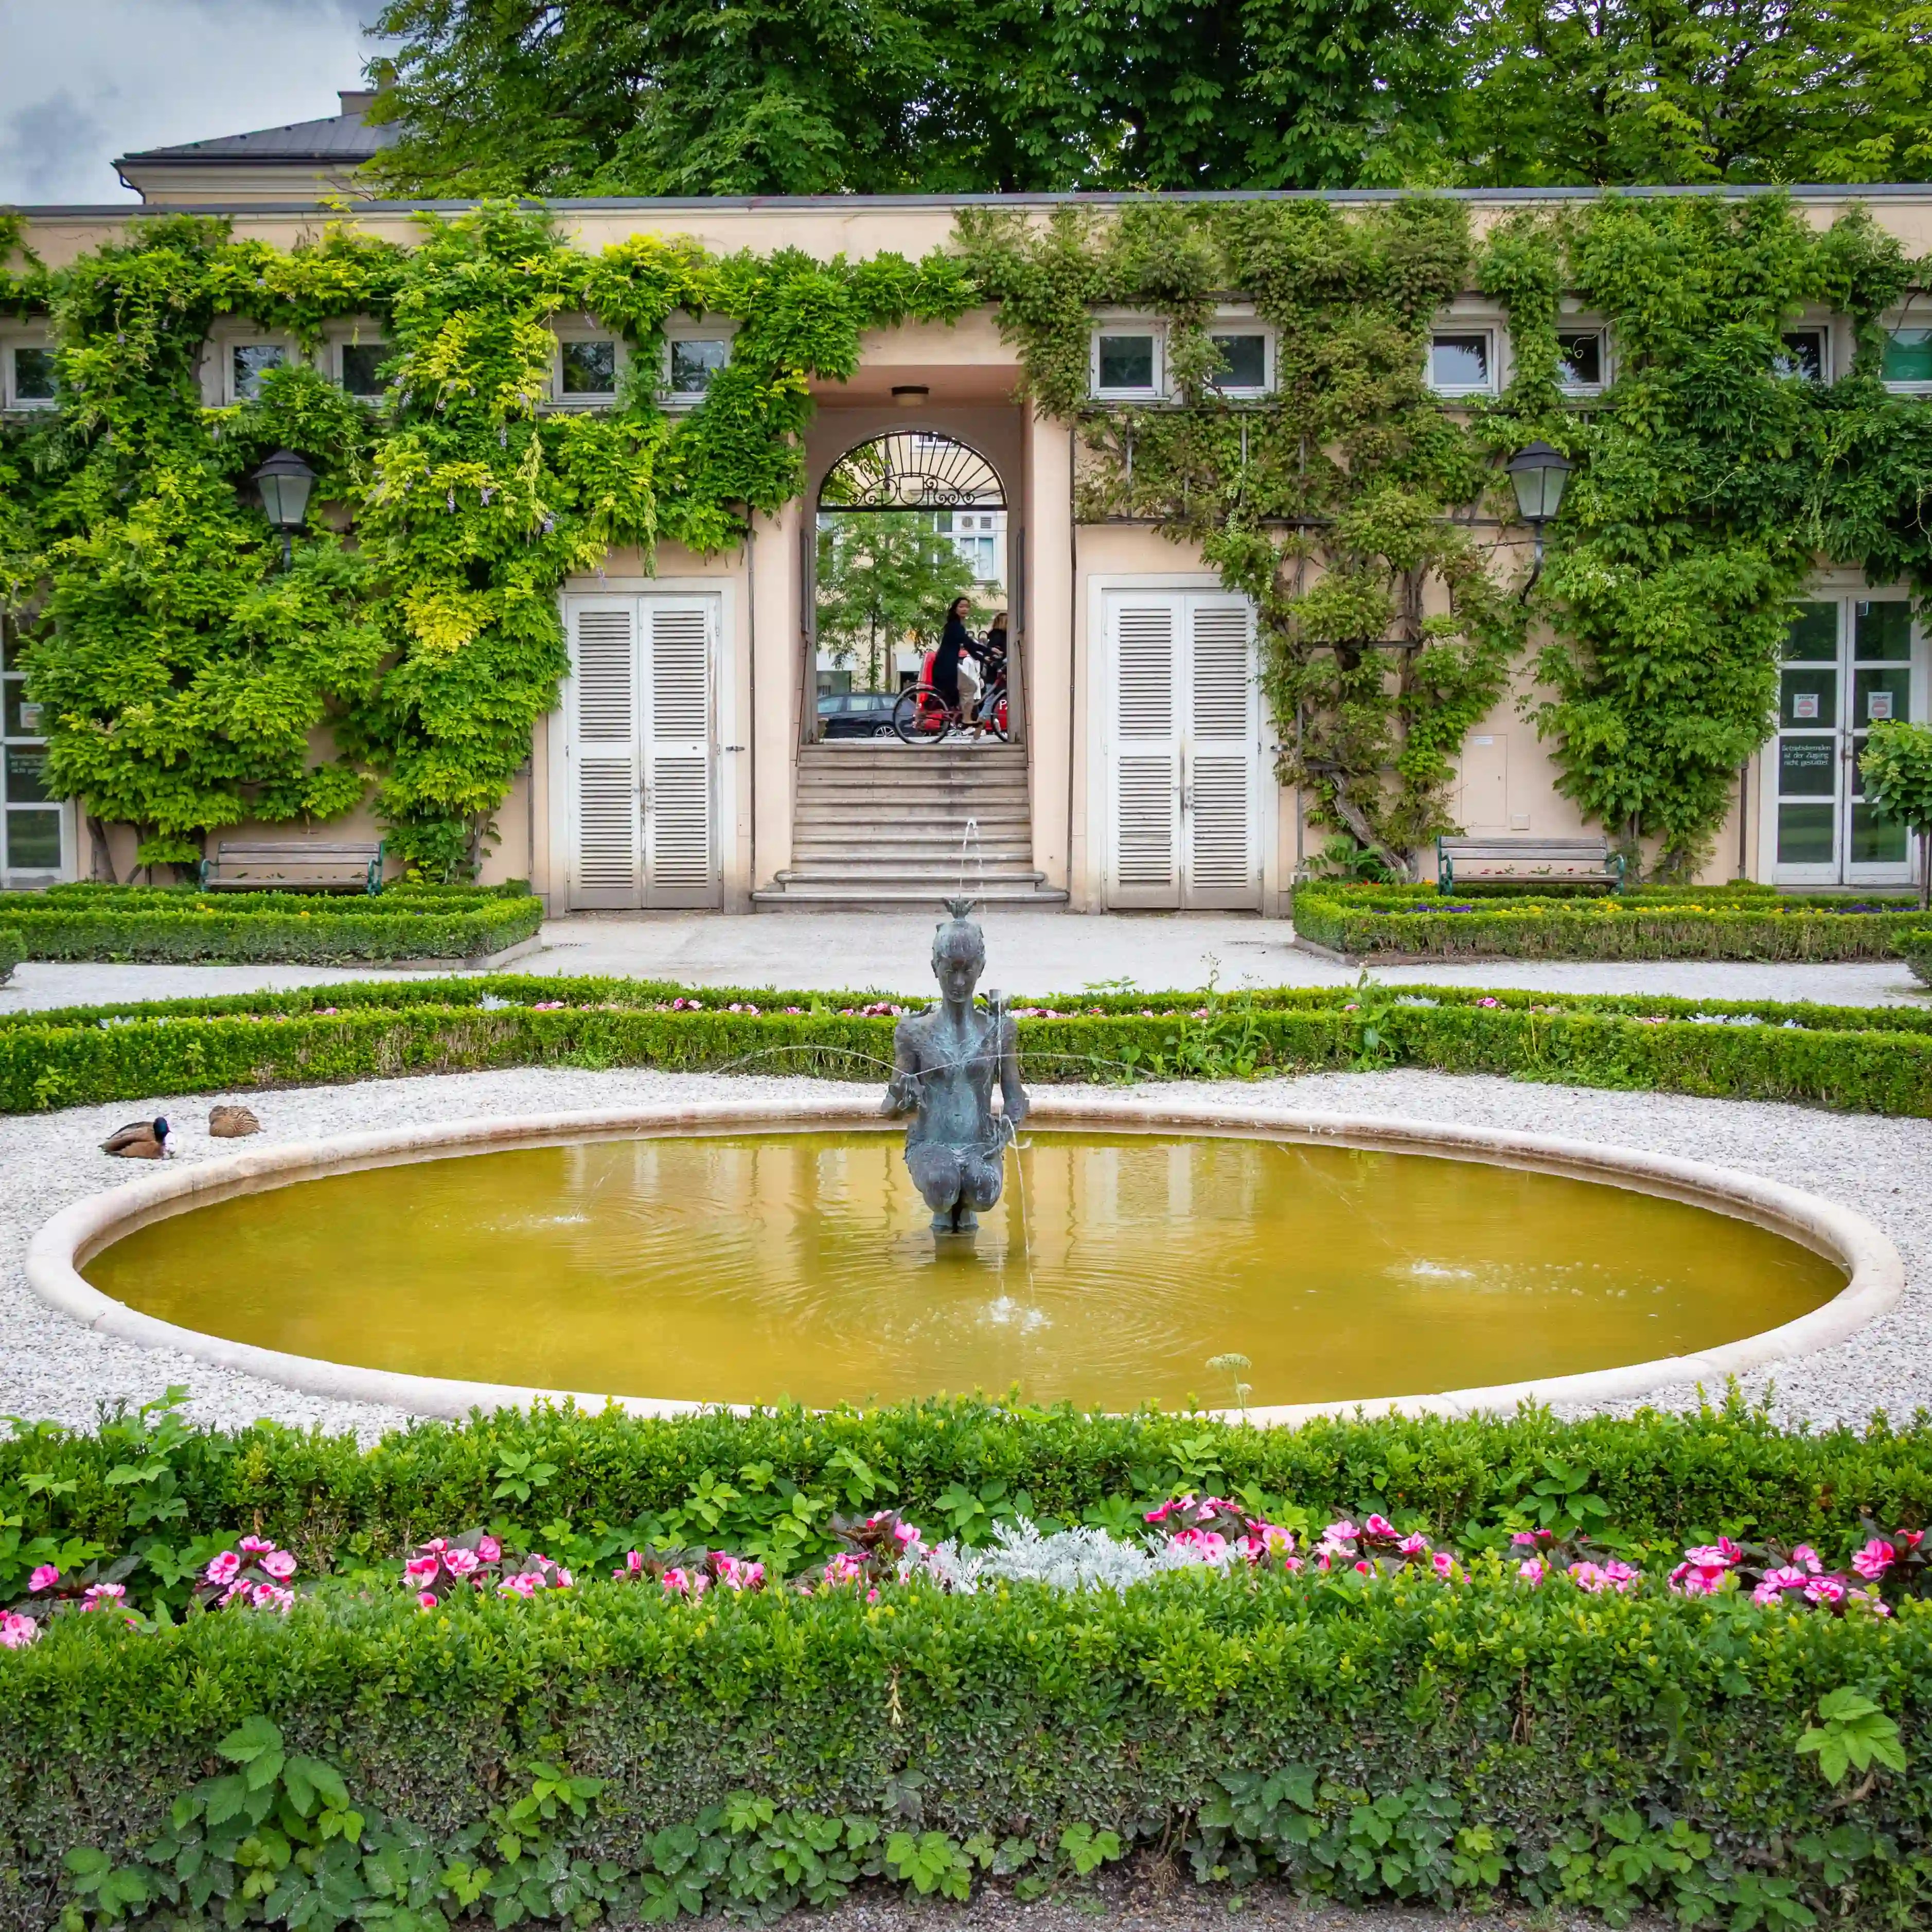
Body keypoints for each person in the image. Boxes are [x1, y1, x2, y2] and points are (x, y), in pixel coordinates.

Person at [932, 596, 977, 725]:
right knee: (970, 687)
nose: (965, 609)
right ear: (955, 608)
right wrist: (987, 653)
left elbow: (968, 646)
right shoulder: (955, 626)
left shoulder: (956, 625)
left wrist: (984, 656)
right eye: (961, 606)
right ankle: (966, 719)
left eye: (967, 607)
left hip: (947, 665)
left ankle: (960, 714)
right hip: (947, 666)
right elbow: (968, 644)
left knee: (963, 689)